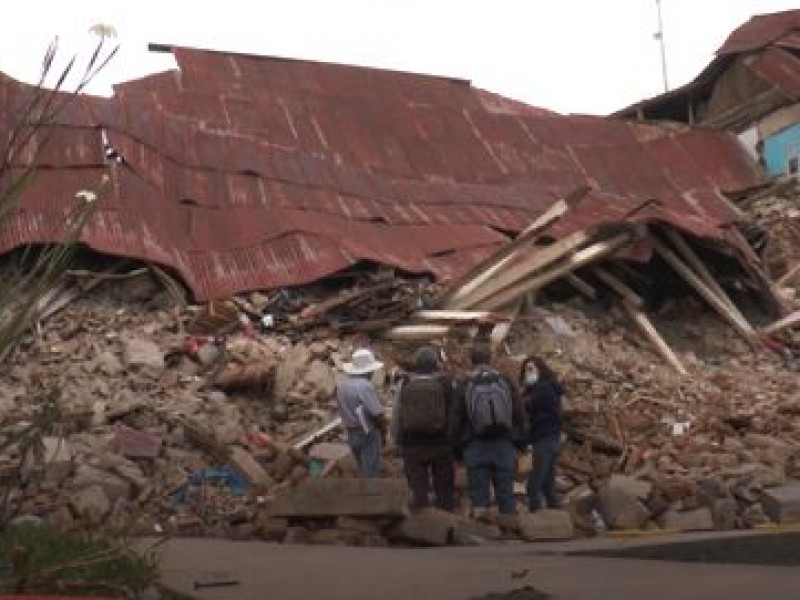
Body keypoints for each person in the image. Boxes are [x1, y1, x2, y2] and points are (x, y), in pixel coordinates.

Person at [450, 344, 525, 519]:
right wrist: (520, 441)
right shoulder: (505, 381)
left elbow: (456, 419)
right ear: (491, 360)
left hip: (475, 445)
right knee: (506, 491)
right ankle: (510, 532)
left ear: (471, 361)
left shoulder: (465, 384)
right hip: (504, 443)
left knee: (478, 495)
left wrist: (456, 449)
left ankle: (482, 536)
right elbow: (519, 413)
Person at [391, 346, 455, 512]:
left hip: (412, 445)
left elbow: (397, 415)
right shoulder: (445, 384)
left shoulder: (405, 383)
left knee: (417, 491)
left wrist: (398, 440)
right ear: (435, 364)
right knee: (444, 489)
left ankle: (420, 528)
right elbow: (454, 414)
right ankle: (446, 525)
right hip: (441, 444)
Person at [520, 355, 564, 511]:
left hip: (543, 439)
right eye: (526, 369)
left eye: (531, 369)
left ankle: (536, 521)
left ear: (540, 369)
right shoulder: (550, 387)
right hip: (551, 438)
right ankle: (557, 517)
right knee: (547, 483)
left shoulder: (542, 389)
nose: (527, 372)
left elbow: (532, 409)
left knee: (534, 484)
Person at [337, 347, 387, 478]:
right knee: (371, 473)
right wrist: (384, 432)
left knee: (362, 468)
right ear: (368, 370)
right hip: (367, 432)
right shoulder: (365, 386)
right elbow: (377, 413)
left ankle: (364, 494)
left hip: (351, 432)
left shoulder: (343, 386)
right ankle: (370, 496)